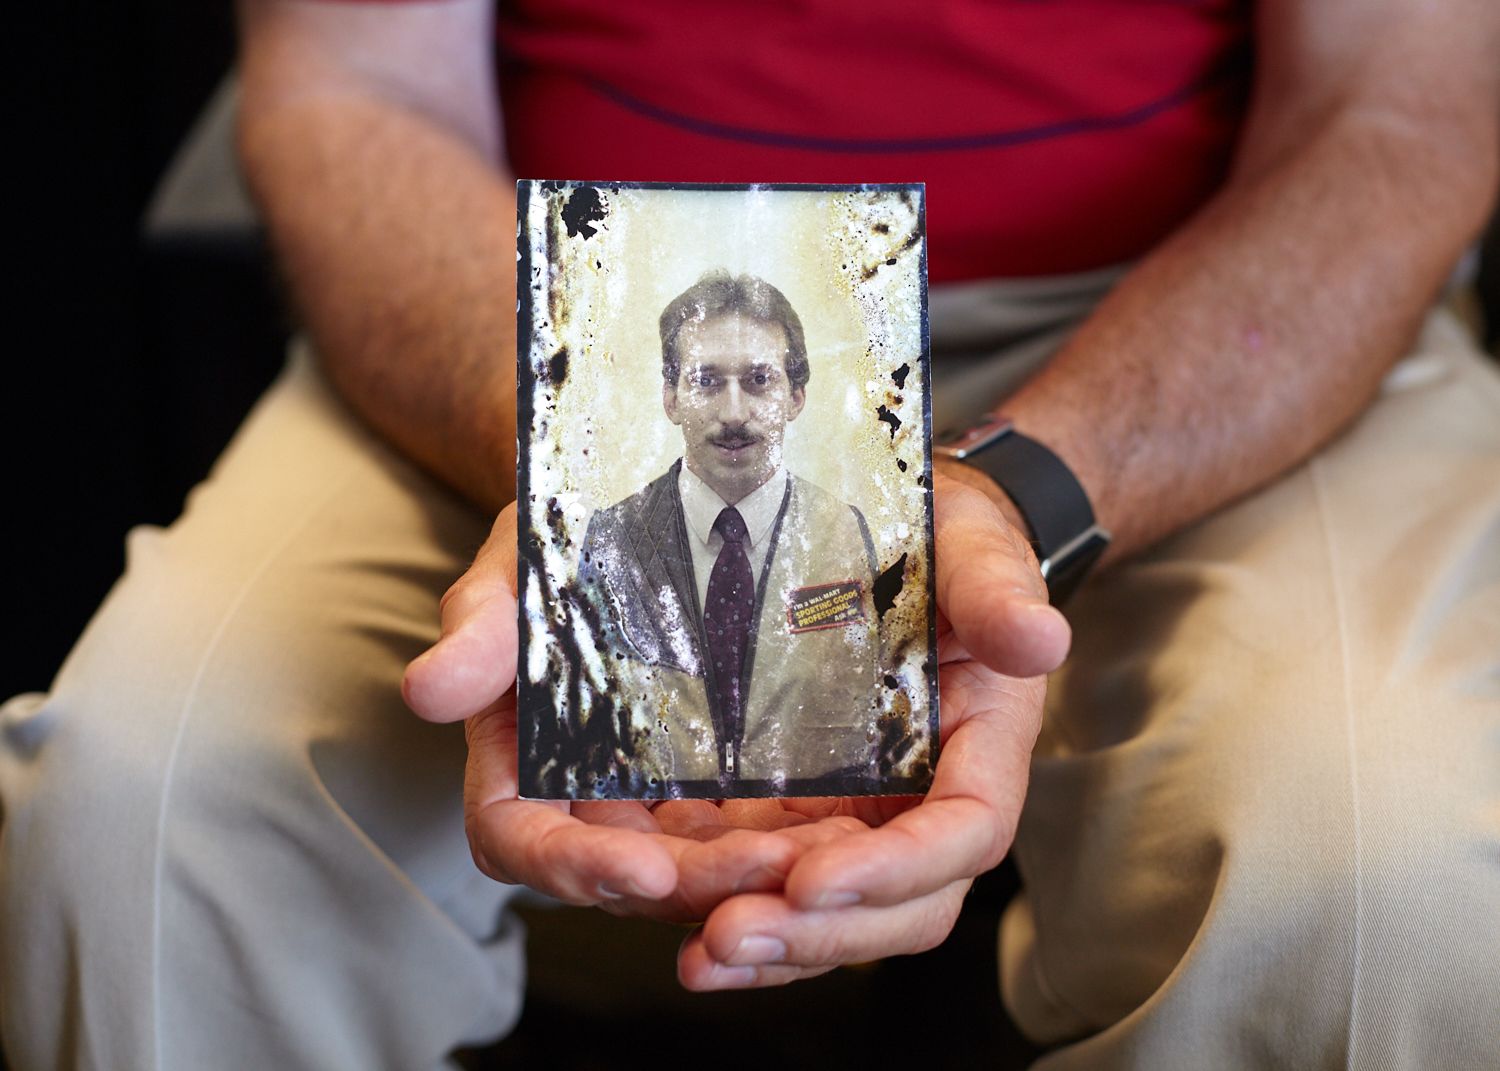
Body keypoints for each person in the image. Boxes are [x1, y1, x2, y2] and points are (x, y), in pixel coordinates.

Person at [2, 0, 1497, 1068]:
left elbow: (1401, 115)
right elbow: (355, 84)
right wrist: (585, 455)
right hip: (542, 324)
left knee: (1390, 878)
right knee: (148, 807)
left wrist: (1027, 487)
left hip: (1189, 323)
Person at [567, 271, 883, 791]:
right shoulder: (612, 538)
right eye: (706, 382)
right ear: (670, 397)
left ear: (796, 396)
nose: (733, 414)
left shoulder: (842, 533)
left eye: (759, 380)